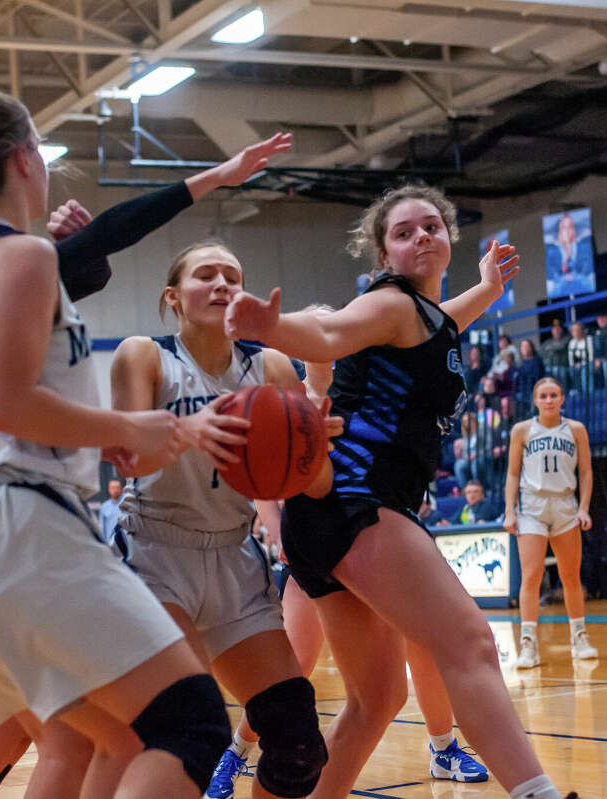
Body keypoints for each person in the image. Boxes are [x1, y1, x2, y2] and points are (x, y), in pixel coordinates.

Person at [0, 132, 294, 799]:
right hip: (6, 526)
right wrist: (213, 178)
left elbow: (90, 263)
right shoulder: (2, 273)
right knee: (173, 727)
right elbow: (109, 234)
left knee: (69, 739)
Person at [225, 184, 573, 799]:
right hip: (357, 501)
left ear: (448, 238)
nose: (422, 237)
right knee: (468, 643)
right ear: (384, 255)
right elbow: (327, 334)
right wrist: (271, 326)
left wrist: (490, 289)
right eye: (405, 231)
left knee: (378, 697)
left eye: (432, 226)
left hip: (329, 513)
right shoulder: (391, 304)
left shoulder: (425, 320)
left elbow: (443, 323)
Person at [111, 240, 333, 799]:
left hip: (235, 557)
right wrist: (204, 424)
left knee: (298, 743)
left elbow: (315, 483)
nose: (221, 284)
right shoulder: (143, 355)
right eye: (205, 274)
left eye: (232, 276)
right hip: (153, 553)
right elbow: (129, 453)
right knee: (186, 727)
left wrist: (314, 440)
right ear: (173, 297)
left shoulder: (272, 365)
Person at [503, 377, 597, 669]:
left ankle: (579, 636)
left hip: (565, 505)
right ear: (535, 400)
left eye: (553, 395)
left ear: (562, 399)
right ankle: (528, 645)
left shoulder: (576, 430)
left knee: (570, 576)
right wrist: (509, 510)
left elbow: (586, 473)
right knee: (531, 576)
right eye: (543, 395)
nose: (548, 400)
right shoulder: (521, 430)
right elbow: (513, 475)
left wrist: (584, 508)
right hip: (532, 506)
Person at [514, 339, 545, 411]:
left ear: (531, 348)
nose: (524, 348)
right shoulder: (520, 364)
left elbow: (537, 379)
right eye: (522, 346)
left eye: (526, 346)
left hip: (534, 391)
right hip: (522, 392)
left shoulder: (537, 362)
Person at [540, 319, 570, 388]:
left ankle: (563, 393)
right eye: (554, 329)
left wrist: (550, 348)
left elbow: (561, 347)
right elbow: (541, 353)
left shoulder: (567, 338)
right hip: (548, 368)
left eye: (558, 328)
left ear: (562, 329)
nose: (556, 330)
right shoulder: (547, 342)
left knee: (558, 371)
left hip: (562, 366)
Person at [566, 321, 594, 393]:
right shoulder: (572, 342)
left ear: (582, 330)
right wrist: (573, 366)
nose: (576, 332)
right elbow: (571, 358)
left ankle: (588, 392)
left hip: (589, 363)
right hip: (578, 365)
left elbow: (591, 355)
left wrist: (583, 364)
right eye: (574, 330)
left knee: (585, 370)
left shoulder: (589, 339)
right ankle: (576, 391)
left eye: (578, 329)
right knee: (571, 370)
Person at [99, 479, 124, 546]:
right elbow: (102, 527)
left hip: (125, 542)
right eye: (113, 488)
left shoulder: (126, 504)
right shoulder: (104, 506)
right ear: (109, 489)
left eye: (117, 488)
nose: (115, 490)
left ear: (122, 489)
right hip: (109, 543)